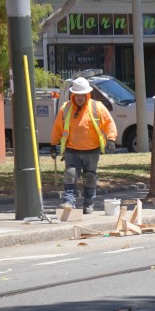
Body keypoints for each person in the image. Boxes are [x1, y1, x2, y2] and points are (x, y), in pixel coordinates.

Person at [50, 77, 118, 214]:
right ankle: (69, 202)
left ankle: (88, 203)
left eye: (83, 94)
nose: (80, 97)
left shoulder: (97, 107)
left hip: (92, 151)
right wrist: (53, 145)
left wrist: (111, 139)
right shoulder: (66, 108)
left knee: (90, 177)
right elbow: (57, 128)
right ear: (73, 94)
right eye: (77, 94)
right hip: (71, 150)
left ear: (88, 94)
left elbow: (109, 123)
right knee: (70, 173)